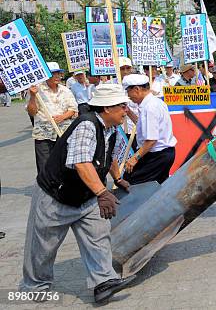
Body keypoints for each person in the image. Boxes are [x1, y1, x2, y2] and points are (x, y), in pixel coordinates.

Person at [20, 84, 137, 303]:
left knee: (99, 235)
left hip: (86, 195)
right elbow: (81, 163)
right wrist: (102, 192)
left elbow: (108, 156)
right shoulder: (87, 125)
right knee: (43, 247)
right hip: (56, 195)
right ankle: (35, 286)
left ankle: (103, 282)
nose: (126, 110)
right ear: (107, 108)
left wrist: (117, 178)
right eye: (122, 106)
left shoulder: (111, 129)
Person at [122, 74, 177, 184]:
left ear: (137, 89)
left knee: (131, 181)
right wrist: (128, 112)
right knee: (159, 186)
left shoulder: (150, 107)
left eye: (128, 91)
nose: (128, 96)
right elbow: (142, 125)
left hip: (157, 155)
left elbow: (151, 140)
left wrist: (134, 158)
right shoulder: (154, 103)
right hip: (160, 154)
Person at [26, 62, 78, 173]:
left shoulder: (65, 90)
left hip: (63, 132)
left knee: (64, 162)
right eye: (53, 74)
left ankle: (62, 186)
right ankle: (46, 186)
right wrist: (32, 96)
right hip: (43, 134)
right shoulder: (36, 90)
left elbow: (73, 109)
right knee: (44, 164)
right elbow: (32, 111)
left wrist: (63, 117)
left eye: (58, 73)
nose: (57, 76)